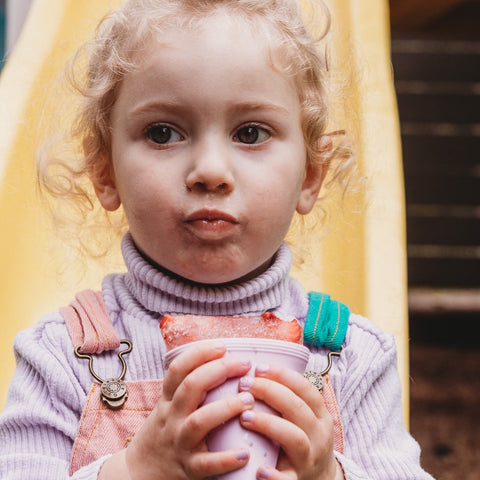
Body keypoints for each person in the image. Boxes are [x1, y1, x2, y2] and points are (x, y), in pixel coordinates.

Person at [0, 1, 434, 479]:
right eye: (163, 132)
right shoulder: (63, 357)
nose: (210, 170)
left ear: (311, 174)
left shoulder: (350, 357)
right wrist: (132, 472)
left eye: (250, 132)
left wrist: (331, 475)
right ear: (105, 171)